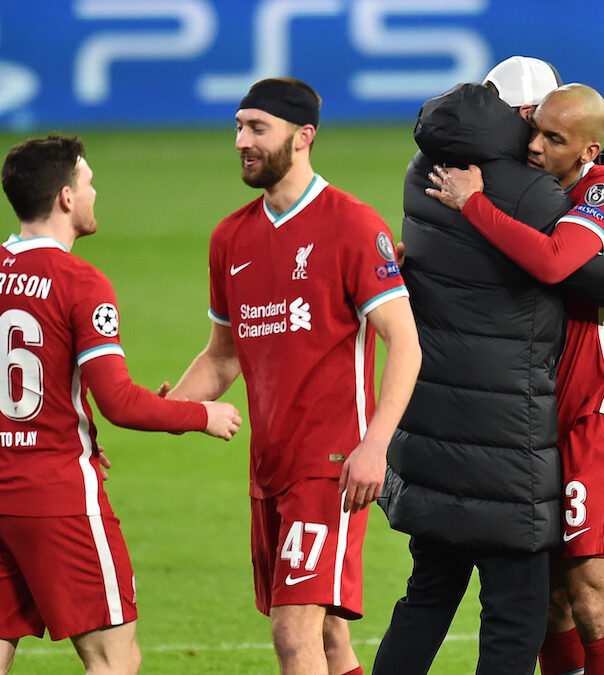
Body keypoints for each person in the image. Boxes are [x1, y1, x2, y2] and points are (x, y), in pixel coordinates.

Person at [374, 60, 604, 674]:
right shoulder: (542, 194)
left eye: (551, 138)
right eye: (537, 130)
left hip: (437, 432)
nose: (534, 147)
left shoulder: (424, 171)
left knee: (434, 596)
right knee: (531, 612)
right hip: (521, 435)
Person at [0, 134, 244, 675]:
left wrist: (71, 429)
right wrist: (202, 414)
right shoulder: (79, 282)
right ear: (64, 197)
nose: (94, 191)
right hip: (58, 500)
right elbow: (120, 402)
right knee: (114, 659)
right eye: (87, 182)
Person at [162, 77, 421, 675]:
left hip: (330, 463)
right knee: (329, 638)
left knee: (292, 632)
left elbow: (404, 343)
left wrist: (374, 446)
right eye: (238, 126)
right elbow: (222, 356)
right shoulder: (231, 237)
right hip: (269, 465)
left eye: (257, 128)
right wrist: (177, 406)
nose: (240, 141)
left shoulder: (352, 225)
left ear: (303, 137)